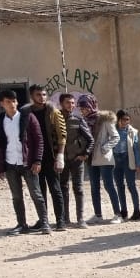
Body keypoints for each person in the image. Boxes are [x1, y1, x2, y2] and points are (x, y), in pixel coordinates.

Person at [0, 88, 49, 236]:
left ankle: (44, 222)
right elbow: (0, 143)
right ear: (2, 104)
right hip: (10, 163)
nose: (12, 104)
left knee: (36, 194)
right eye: (8, 102)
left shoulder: (28, 117)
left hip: (28, 163)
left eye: (14, 101)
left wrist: (37, 160)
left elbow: (39, 140)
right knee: (17, 196)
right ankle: (22, 224)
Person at [24, 84, 66, 231]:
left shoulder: (53, 111)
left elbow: (62, 135)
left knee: (55, 188)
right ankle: (44, 220)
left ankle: (60, 221)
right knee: (39, 190)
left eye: (43, 94)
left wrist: (60, 155)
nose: (41, 97)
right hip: (34, 157)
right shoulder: (26, 113)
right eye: (38, 95)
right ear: (32, 96)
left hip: (51, 156)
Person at [80, 94, 122, 225]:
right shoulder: (84, 121)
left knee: (108, 185)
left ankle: (118, 214)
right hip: (90, 158)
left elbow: (115, 137)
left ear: (91, 105)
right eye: (81, 108)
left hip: (104, 158)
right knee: (94, 187)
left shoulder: (105, 120)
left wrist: (105, 148)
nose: (84, 110)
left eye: (85, 107)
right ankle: (98, 215)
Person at [57, 91, 93, 228]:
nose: (71, 105)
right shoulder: (55, 119)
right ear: (61, 104)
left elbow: (90, 140)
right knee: (63, 188)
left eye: (73, 103)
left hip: (76, 160)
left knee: (78, 189)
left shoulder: (78, 120)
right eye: (68, 102)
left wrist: (85, 154)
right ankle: (65, 219)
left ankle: (80, 219)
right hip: (61, 160)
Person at [113, 109, 140, 222]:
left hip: (127, 159)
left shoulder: (132, 132)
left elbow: (136, 149)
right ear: (118, 120)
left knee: (131, 185)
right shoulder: (113, 130)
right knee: (119, 186)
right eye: (124, 120)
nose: (126, 122)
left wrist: (138, 164)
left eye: (128, 120)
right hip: (115, 160)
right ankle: (123, 211)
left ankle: (137, 211)